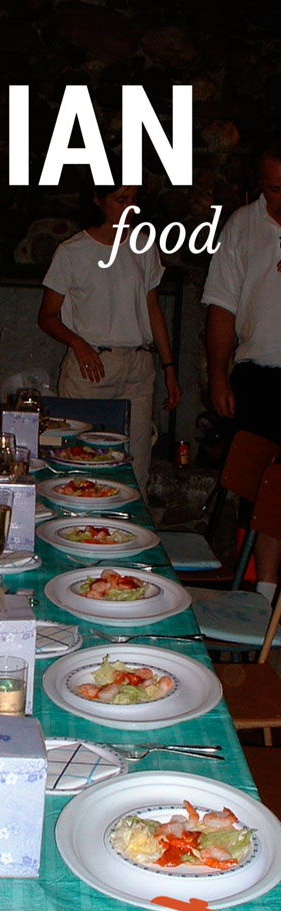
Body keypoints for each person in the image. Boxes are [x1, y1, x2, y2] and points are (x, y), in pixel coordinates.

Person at [37, 178, 181, 494]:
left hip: (138, 367)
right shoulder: (72, 251)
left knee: (136, 464)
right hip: (91, 365)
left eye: (134, 199)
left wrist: (170, 368)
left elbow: (153, 308)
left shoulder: (143, 245)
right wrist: (77, 343)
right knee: (76, 460)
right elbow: (46, 316)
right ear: (98, 200)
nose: (129, 207)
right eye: (120, 199)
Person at [202, 134, 281, 602]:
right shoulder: (241, 226)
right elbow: (221, 307)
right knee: (265, 493)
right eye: (273, 189)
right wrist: (218, 374)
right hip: (259, 375)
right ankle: (265, 594)